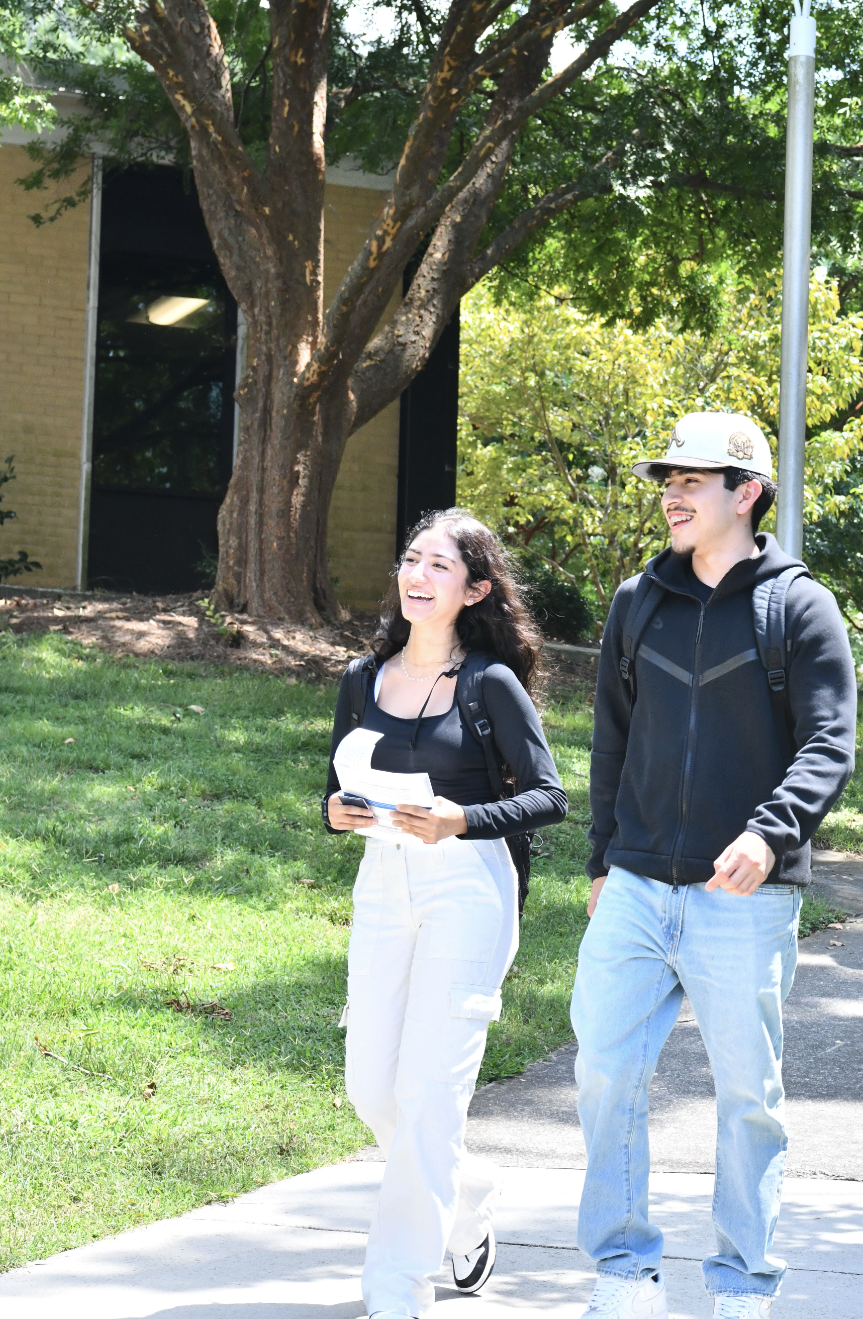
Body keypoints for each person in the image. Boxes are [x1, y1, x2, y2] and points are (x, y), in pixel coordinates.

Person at [573, 412, 857, 1319]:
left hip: (744, 896)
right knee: (606, 1070)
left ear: (747, 493)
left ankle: (741, 1283)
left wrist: (769, 834)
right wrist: (602, 861)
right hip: (637, 884)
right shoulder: (637, 600)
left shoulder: (797, 605)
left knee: (749, 1097)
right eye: (669, 479)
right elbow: (612, 740)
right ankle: (623, 1273)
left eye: (692, 480)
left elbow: (829, 744)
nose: (672, 493)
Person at [323, 510, 568, 1318]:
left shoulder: (489, 683)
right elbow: (333, 785)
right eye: (411, 559)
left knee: (429, 1096)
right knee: (371, 1089)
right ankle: (464, 1203)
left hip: (467, 886)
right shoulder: (364, 676)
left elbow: (548, 797)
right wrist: (336, 813)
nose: (417, 575)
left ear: (475, 589)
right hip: (382, 880)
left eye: (439, 564)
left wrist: (461, 819)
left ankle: (395, 1293)